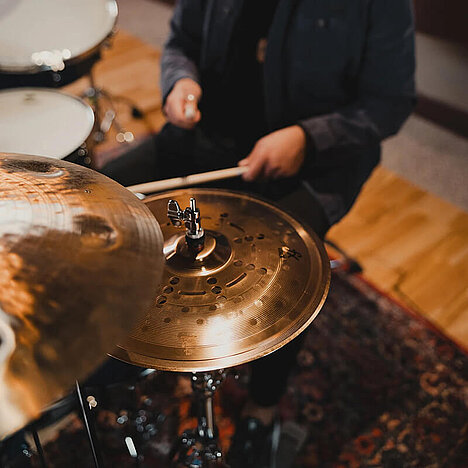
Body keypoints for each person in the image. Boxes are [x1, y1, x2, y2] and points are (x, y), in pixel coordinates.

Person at [101, 0, 415, 465]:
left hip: (315, 164)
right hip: (210, 136)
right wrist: (181, 81)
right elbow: (183, 41)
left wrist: (308, 138)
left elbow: (389, 102)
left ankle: (262, 408)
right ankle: (115, 357)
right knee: (101, 205)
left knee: (286, 270)